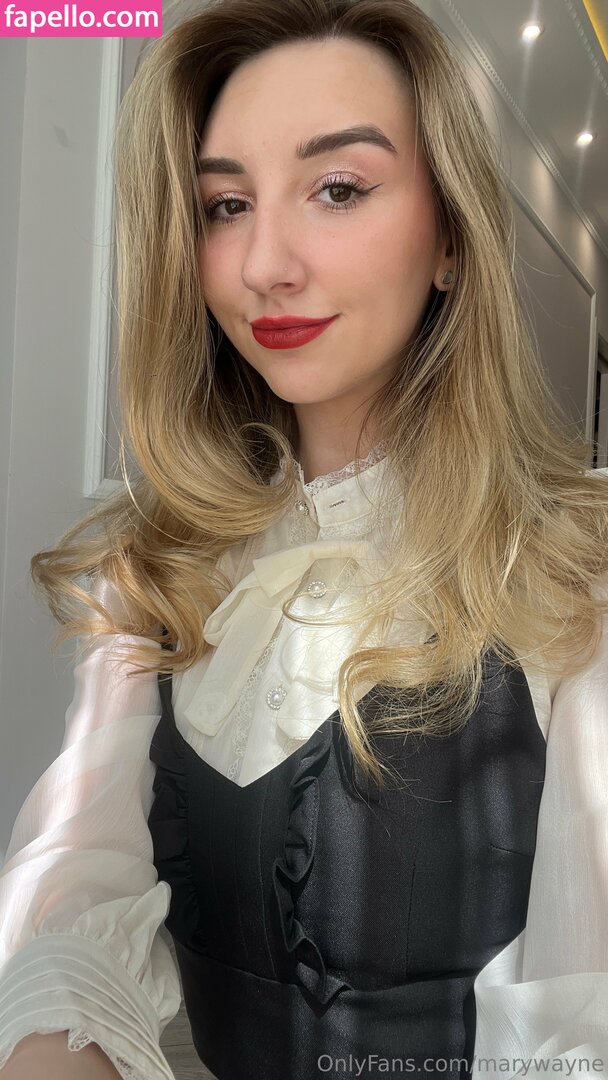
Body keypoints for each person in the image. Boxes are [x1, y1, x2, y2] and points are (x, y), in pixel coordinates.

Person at [1, 0, 608, 1077]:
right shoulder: (155, 570)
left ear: (450, 239)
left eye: (337, 188)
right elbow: (74, 882)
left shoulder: (575, 570)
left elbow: (583, 1011)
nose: (263, 264)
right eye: (226, 205)